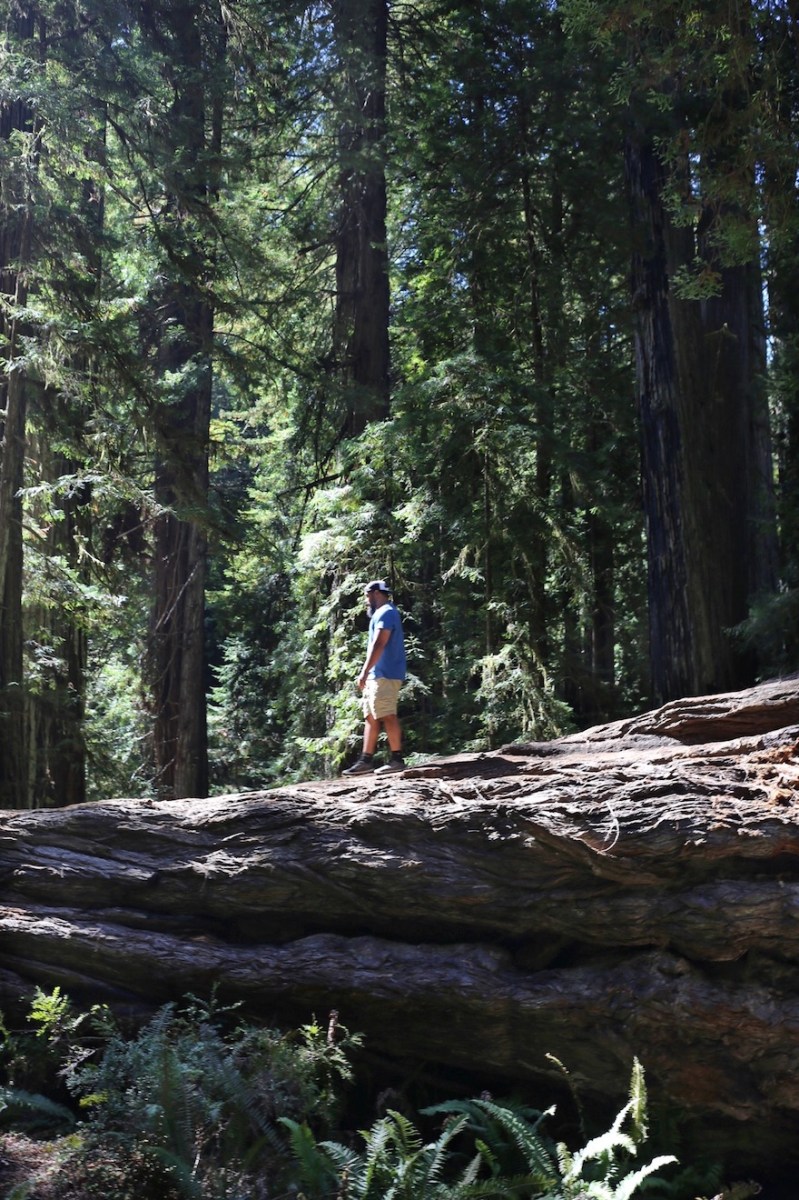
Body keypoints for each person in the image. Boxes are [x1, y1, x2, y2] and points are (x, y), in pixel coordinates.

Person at [343, 580, 406, 775]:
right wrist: (368, 672)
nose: (365, 600)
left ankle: (397, 759)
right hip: (376, 675)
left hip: (386, 674)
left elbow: (379, 643)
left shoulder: (386, 612)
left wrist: (363, 671)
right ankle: (366, 761)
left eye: (366, 595)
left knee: (387, 714)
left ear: (376, 593)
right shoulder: (380, 613)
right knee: (370, 717)